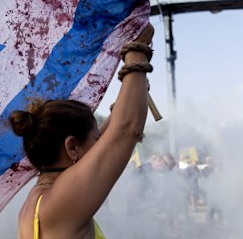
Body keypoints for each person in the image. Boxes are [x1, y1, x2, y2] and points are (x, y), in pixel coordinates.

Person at [9, 23, 154, 239]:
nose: (100, 145)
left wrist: (133, 94)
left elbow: (113, 132)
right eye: (95, 140)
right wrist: (137, 52)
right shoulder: (58, 202)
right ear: (72, 147)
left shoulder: (38, 200)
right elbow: (125, 130)